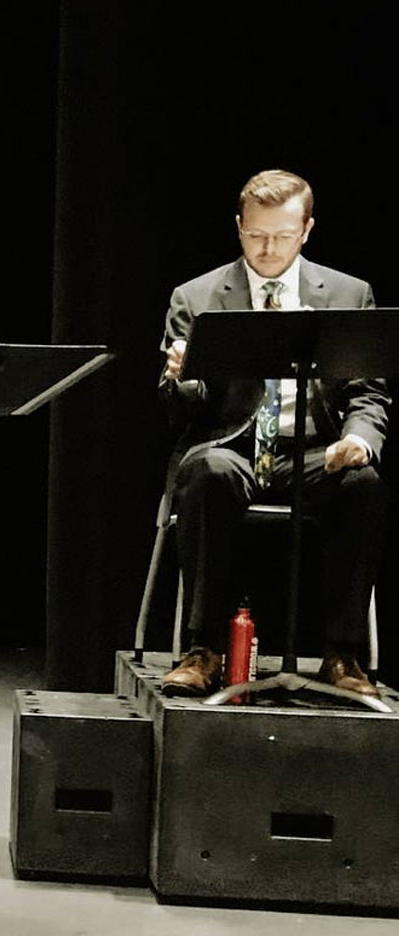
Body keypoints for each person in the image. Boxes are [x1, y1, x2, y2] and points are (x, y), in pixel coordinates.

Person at [158, 168, 388, 699]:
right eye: (256, 235)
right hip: (233, 448)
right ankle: (205, 649)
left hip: (312, 450)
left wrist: (358, 439)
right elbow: (182, 413)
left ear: (306, 230)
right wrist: (181, 379)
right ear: (239, 227)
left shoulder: (349, 296)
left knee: (364, 483)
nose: (267, 248)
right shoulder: (197, 298)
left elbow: (369, 395)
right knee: (207, 469)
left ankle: (343, 655)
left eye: (282, 236)